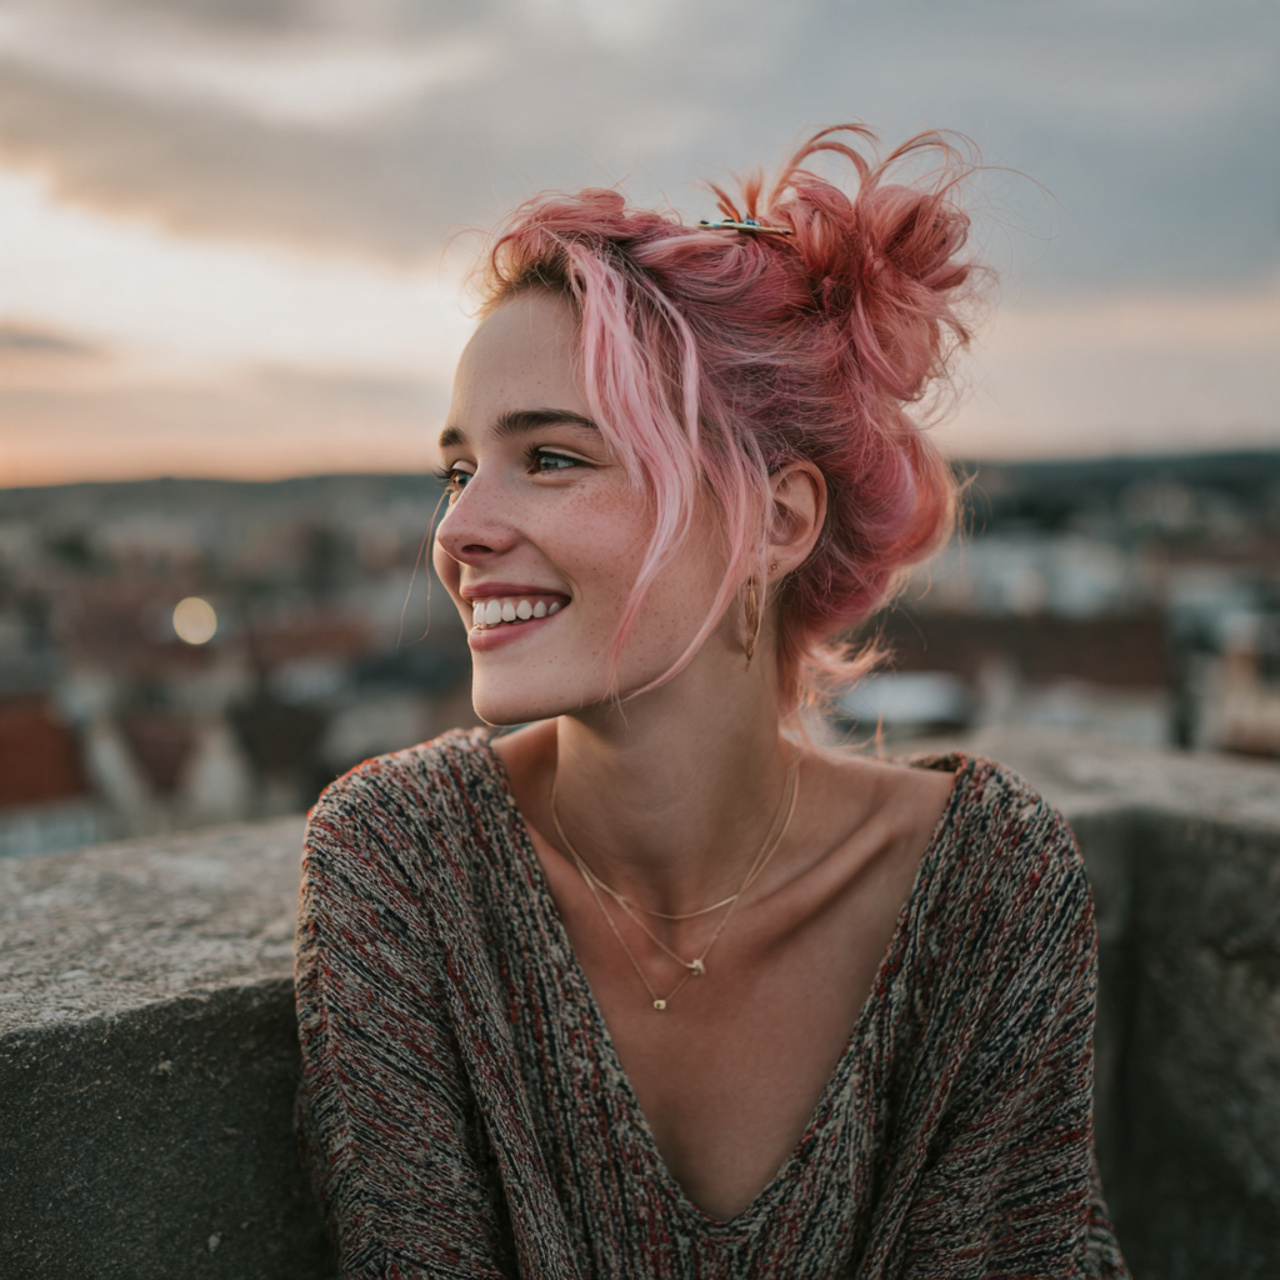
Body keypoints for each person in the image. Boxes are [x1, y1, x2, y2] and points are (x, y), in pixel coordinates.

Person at [295, 125, 1130, 1278]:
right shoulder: (401, 861)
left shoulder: (985, 890)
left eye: (549, 458)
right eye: (457, 467)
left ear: (777, 522)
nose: (457, 529)